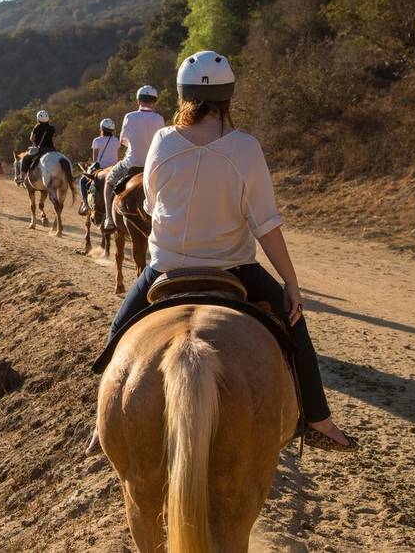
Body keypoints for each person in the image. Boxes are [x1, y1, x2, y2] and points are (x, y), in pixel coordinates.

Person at [88, 51, 358, 454]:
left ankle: (101, 423)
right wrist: (291, 284)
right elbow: (265, 223)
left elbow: (149, 205)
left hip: (165, 268)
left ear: (182, 94)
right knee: (294, 327)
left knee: (117, 334)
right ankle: (318, 418)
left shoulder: (163, 141)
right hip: (234, 267)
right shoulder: (246, 147)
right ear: (228, 96)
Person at [102, 86, 165, 231]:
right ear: (154, 102)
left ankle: (109, 219)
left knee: (109, 181)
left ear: (138, 101)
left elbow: (123, 141)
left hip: (131, 163)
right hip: (153, 166)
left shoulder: (130, 117)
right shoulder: (159, 119)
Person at [79, 117, 119, 215]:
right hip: (114, 169)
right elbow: (117, 158)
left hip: (100, 169)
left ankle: (85, 204)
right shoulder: (116, 141)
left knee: (82, 181)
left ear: (101, 129)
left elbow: (94, 158)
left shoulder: (96, 140)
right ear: (112, 130)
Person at [16, 109, 56, 185]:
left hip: (41, 149)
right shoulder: (52, 128)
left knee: (25, 158)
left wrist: (35, 143)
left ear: (38, 119)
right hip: (51, 149)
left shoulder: (37, 127)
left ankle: (22, 177)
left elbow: (31, 138)